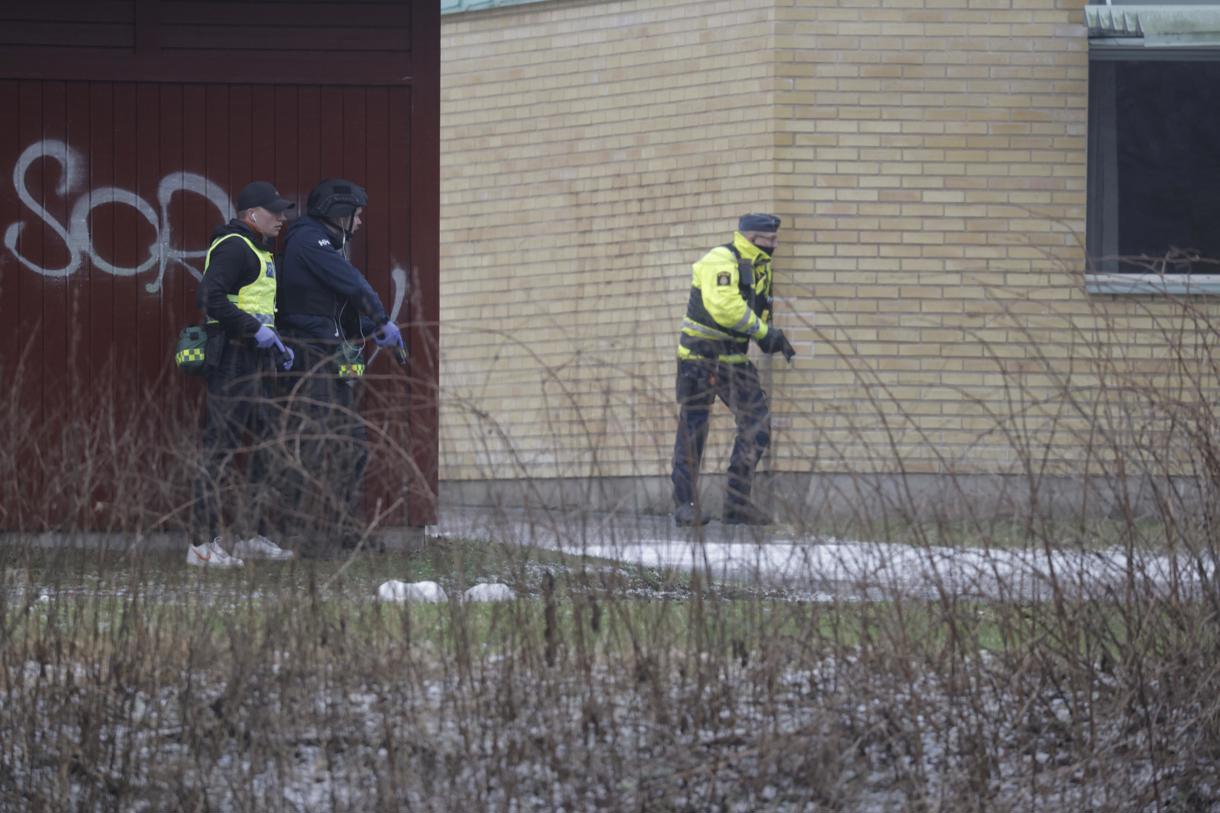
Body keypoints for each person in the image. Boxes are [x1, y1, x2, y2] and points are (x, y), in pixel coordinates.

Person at [276, 178, 404, 556]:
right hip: (309, 357)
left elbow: (332, 311)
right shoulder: (308, 241)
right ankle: (308, 537)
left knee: (351, 445)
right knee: (316, 446)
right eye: (357, 215)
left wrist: (370, 329)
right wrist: (381, 318)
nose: (360, 222)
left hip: (327, 354)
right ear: (339, 212)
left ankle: (346, 530)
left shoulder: (323, 244)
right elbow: (353, 285)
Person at [188, 181, 298, 567]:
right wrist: (255, 331)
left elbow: (256, 307)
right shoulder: (234, 246)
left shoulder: (258, 250)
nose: (282, 217)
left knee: (266, 447)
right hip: (232, 359)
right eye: (274, 211)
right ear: (252, 214)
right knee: (219, 450)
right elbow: (209, 297)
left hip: (256, 360)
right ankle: (201, 546)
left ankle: (251, 535)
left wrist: (276, 345)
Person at [671, 213, 796, 527]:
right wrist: (763, 333)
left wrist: (769, 336)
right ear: (753, 238)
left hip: (733, 360)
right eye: (770, 240)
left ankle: (737, 504)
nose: (775, 245)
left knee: (757, 425)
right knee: (693, 430)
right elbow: (725, 308)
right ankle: (685, 506)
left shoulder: (759, 266)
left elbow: (755, 309)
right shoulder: (721, 260)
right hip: (700, 359)